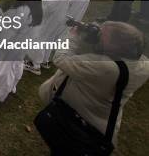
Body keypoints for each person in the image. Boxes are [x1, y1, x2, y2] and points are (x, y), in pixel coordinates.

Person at [38, 22, 149, 150]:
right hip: (100, 121)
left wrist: (73, 37)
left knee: (66, 144)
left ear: (114, 48)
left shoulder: (106, 67)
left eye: (102, 35)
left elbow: (61, 59)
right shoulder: (142, 65)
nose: (98, 35)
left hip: (76, 118)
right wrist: (99, 38)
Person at [25, 0, 79, 75]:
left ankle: (34, 64)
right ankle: (44, 59)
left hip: (47, 15)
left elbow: (49, 4)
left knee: (38, 35)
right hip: (56, 15)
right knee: (47, 36)